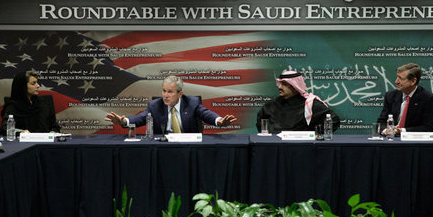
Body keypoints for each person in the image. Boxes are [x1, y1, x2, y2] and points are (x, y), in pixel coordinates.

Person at [105, 75, 237, 134]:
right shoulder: (155, 105)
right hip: (163, 148)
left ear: (180, 94)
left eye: (170, 92)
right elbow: (140, 118)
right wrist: (123, 121)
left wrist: (219, 121)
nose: (165, 95)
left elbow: (206, 114)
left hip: (188, 149)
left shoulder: (192, 103)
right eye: (163, 91)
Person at [256, 70, 340, 133]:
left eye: (284, 84)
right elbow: (261, 124)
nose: (280, 87)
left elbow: (334, 120)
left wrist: (315, 135)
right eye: (280, 83)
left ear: (295, 87)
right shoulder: (271, 105)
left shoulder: (310, 104)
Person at [377, 63, 433, 135]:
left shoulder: (427, 98)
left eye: (401, 78)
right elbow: (381, 122)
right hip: (391, 140)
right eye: (397, 77)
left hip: (414, 143)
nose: (396, 81)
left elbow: (429, 128)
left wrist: (402, 131)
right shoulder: (391, 96)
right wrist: (386, 130)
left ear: (413, 81)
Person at [0, 70, 61, 135]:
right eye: (33, 83)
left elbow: (55, 127)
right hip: (22, 144)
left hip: (46, 142)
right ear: (22, 86)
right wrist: (21, 132)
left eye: (37, 82)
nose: (38, 86)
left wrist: (51, 134)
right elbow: (5, 128)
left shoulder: (43, 103)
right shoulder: (12, 106)